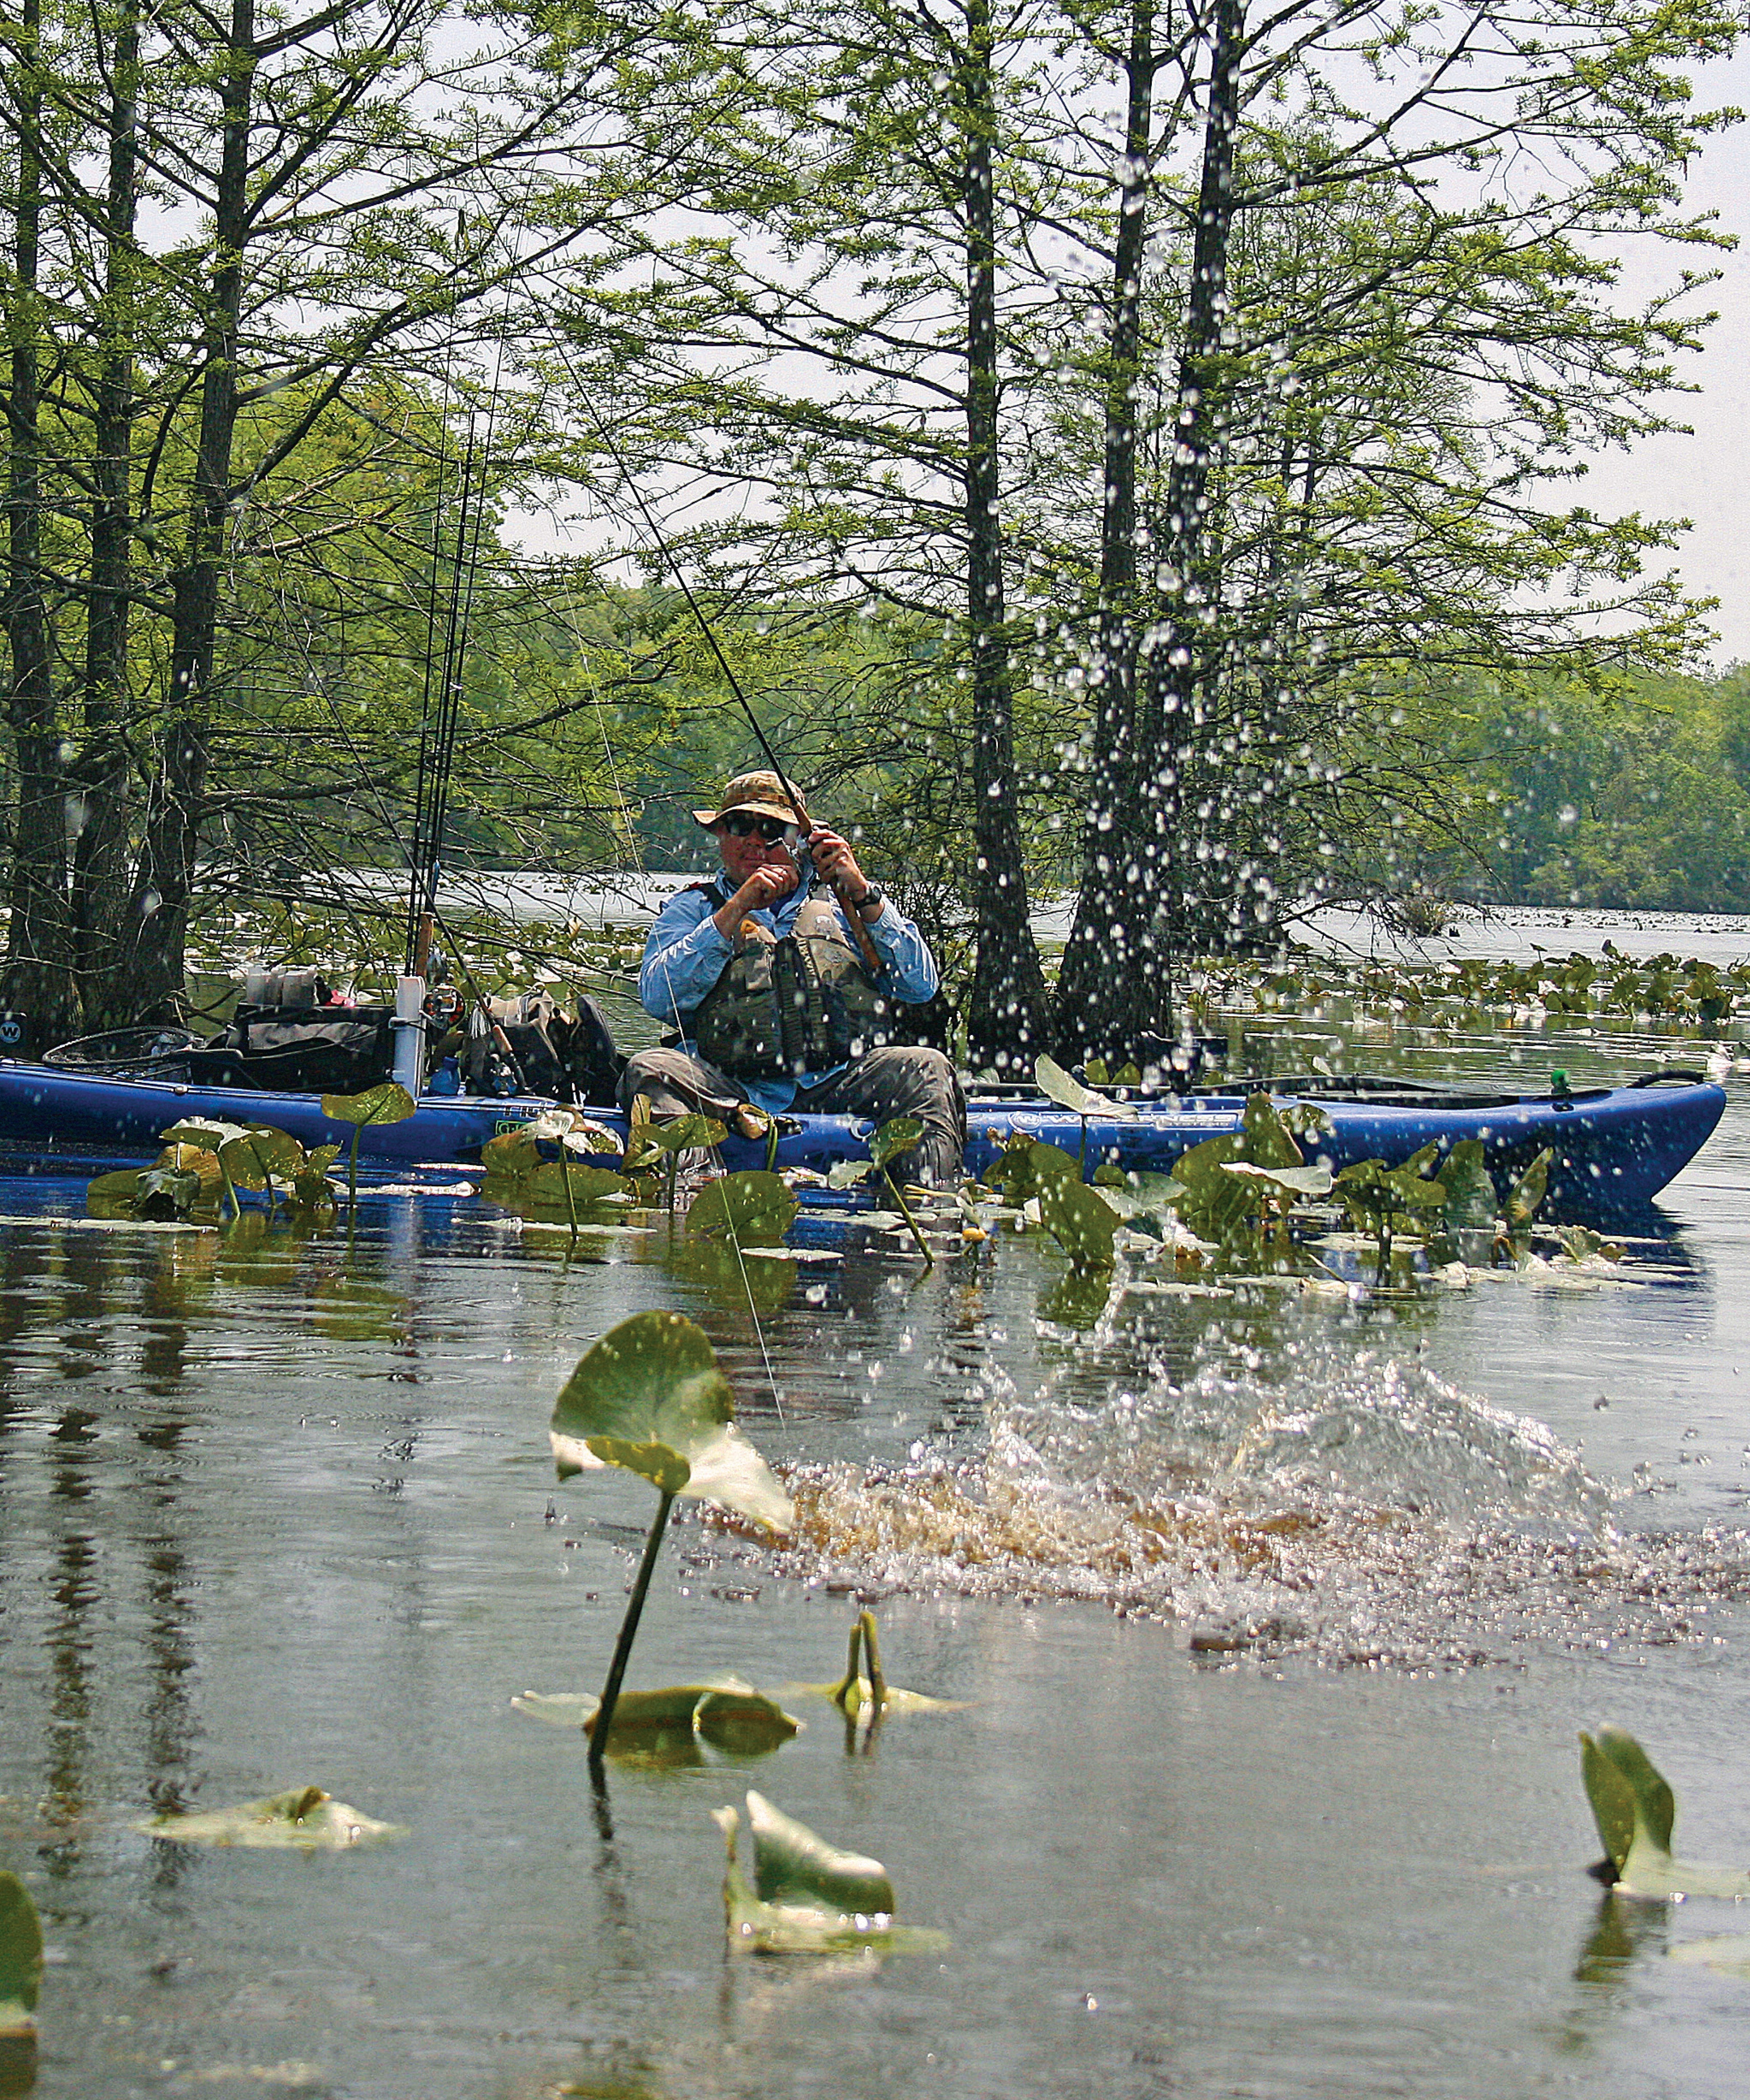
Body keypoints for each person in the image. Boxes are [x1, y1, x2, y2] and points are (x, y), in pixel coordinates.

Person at [620, 769, 966, 1183]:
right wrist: (735, 911)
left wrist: (862, 891)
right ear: (721, 837)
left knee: (926, 1067)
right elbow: (659, 998)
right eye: (738, 826)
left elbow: (919, 986)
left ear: (798, 839)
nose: (752, 839)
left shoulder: (844, 903)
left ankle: (928, 1210)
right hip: (730, 1086)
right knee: (651, 1069)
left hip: (839, 1078)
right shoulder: (694, 908)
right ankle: (691, 1201)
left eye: (769, 828)